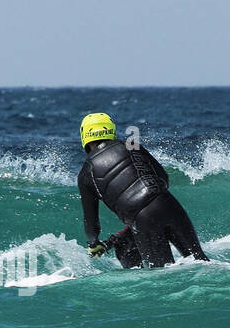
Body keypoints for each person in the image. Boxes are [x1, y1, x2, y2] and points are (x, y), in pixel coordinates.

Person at [77, 113, 209, 268]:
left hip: (142, 220)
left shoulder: (86, 174)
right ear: (111, 130)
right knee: (200, 261)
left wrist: (93, 243)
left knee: (164, 274)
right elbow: (163, 178)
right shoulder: (131, 145)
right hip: (168, 204)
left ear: (84, 136)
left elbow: (91, 223)